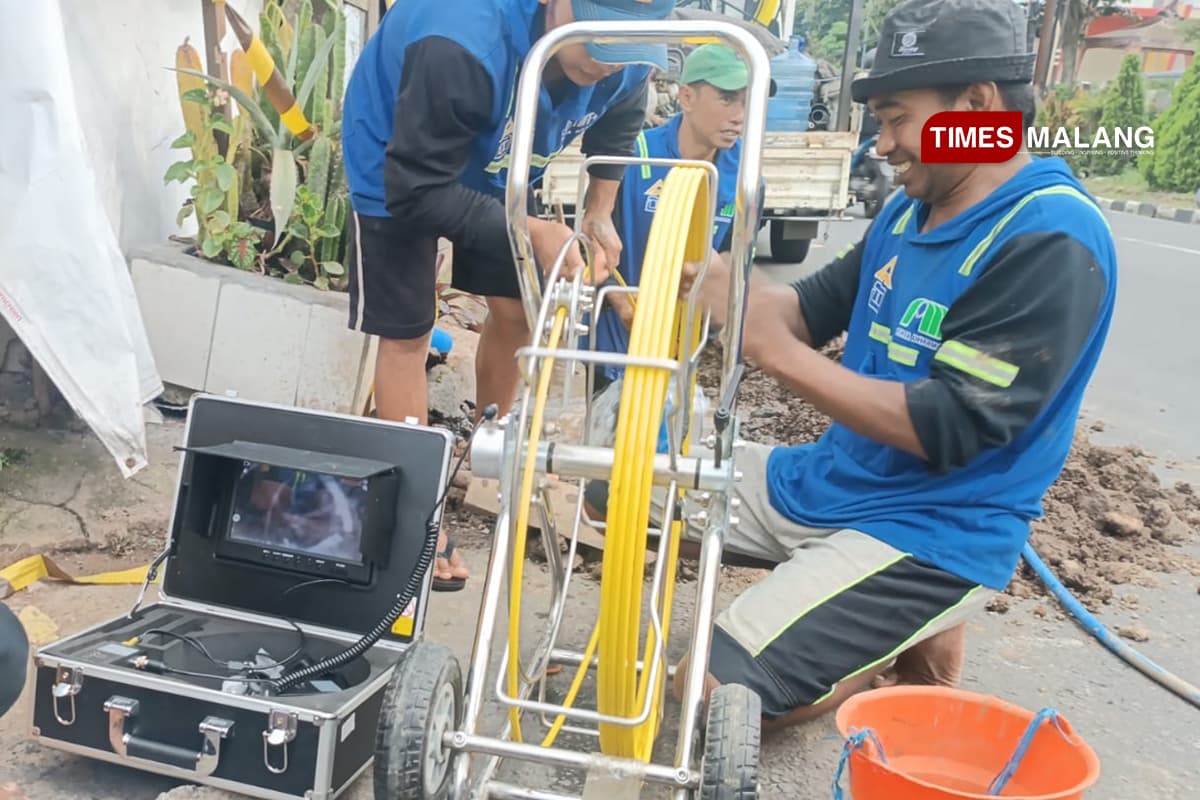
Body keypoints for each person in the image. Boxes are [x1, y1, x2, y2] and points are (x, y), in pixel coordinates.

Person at [669, 0, 1118, 727]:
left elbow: (950, 426)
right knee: (623, 476)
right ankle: (875, 624)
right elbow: (808, 309)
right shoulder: (910, 212)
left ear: (976, 107)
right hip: (834, 481)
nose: (880, 146)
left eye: (895, 117)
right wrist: (726, 288)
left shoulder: (1048, 236)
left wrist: (774, 356)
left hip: (932, 530)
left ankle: (884, 656)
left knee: (710, 696)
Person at [340, 0, 675, 589]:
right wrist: (530, 229)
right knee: (409, 332)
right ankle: (419, 515)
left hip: (501, 164)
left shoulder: (619, 54)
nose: (607, 63)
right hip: (400, 162)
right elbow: (415, 190)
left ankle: (487, 454)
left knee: (520, 309)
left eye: (624, 50)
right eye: (598, 45)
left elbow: (624, 112)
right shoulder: (460, 41)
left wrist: (599, 210)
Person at [581, 43, 771, 520]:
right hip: (616, 341)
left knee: (663, 477)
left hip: (681, 345)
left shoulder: (744, 179)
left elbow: (730, 265)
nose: (739, 115)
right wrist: (625, 303)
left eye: (748, 101)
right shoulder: (635, 157)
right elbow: (594, 243)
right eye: (727, 99)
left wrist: (708, 286)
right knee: (608, 484)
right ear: (686, 97)